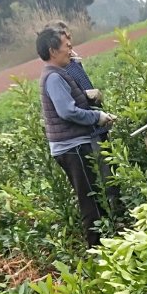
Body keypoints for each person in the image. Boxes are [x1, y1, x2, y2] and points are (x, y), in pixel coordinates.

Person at [36, 27, 116, 248]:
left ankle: (105, 246)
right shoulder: (53, 77)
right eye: (66, 46)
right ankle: (97, 252)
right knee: (89, 201)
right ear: (53, 51)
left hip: (73, 145)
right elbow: (68, 111)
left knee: (93, 195)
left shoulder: (58, 72)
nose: (71, 50)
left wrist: (85, 96)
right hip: (72, 148)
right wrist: (97, 116)